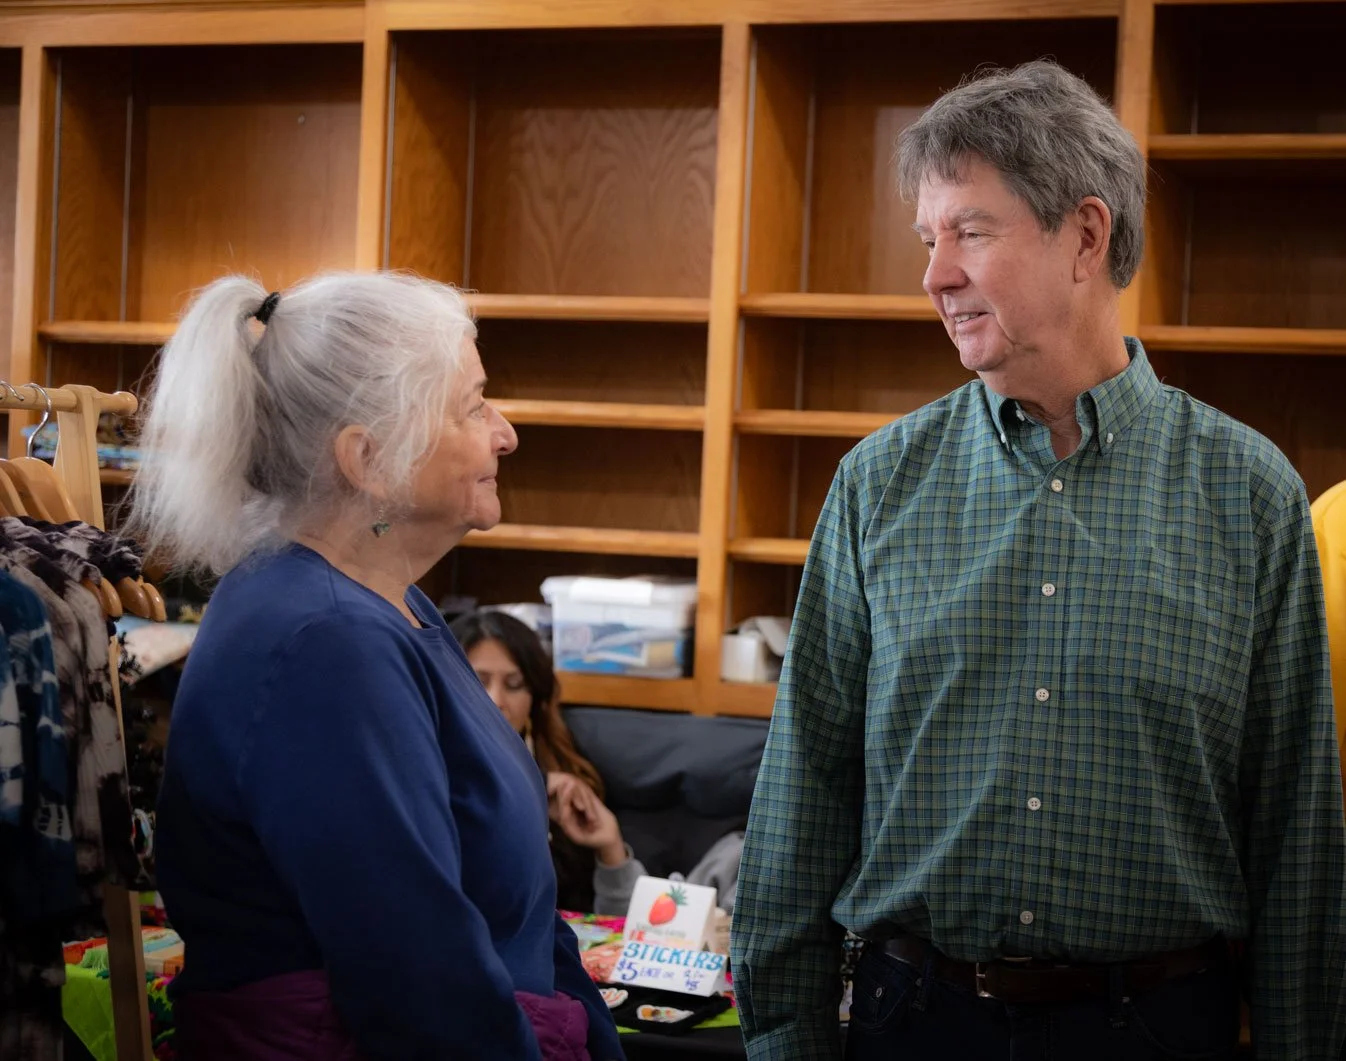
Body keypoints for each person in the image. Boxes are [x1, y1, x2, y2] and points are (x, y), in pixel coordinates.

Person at [730, 59, 1346, 1061]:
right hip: (909, 1016)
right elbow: (804, 788)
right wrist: (783, 1036)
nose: (933, 275)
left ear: (1085, 235)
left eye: (968, 231)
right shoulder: (874, 483)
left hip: (1153, 1027)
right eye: (927, 241)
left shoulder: (1249, 492)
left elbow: (1294, 829)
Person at [126, 271, 625, 1061]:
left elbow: (505, 915)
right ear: (370, 458)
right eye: (472, 404)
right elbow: (418, 972)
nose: (505, 433)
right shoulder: (327, 641)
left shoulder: (383, 604)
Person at [451, 608, 648, 914]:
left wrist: (611, 847)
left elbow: (624, 928)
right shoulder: (427, 774)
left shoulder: (569, 784)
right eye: (478, 681)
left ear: (535, 699)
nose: (495, 700)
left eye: (514, 685)